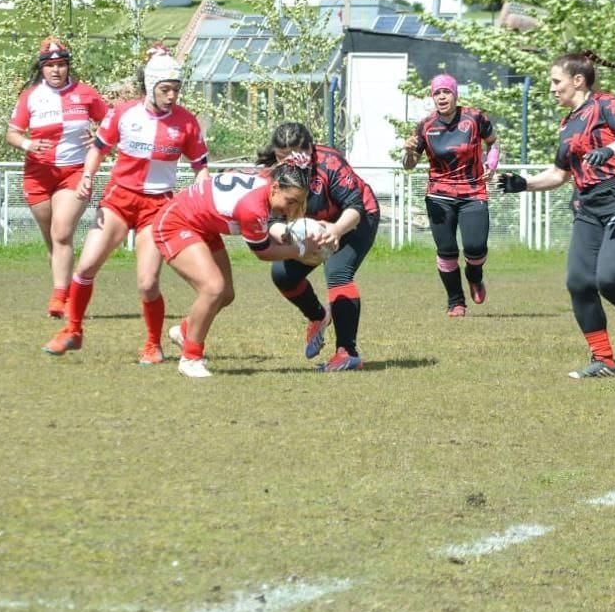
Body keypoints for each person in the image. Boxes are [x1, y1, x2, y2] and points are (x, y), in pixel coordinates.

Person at [495, 51, 615, 378]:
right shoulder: (567, 124)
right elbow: (559, 174)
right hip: (590, 207)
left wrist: (609, 149)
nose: (551, 88)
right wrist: (524, 184)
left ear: (578, 81)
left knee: (610, 280)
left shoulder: (606, 105)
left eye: (555, 81)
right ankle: (604, 361)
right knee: (578, 283)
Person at [43, 49, 209, 361]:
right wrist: (88, 176)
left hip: (158, 206)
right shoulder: (123, 113)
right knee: (86, 266)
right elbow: (98, 149)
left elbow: (200, 166)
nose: (172, 96)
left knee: (148, 283)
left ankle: (152, 344)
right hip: (119, 199)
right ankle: (72, 330)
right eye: (165, 89)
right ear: (150, 85)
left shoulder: (186, 123)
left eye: (177, 89)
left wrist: (202, 192)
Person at [122, 161, 315, 378]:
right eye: (290, 202)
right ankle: (191, 358)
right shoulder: (253, 207)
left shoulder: (266, 181)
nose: (291, 209)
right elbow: (263, 252)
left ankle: (185, 332)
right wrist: (300, 250)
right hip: (175, 223)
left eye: (298, 203)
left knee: (225, 294)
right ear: (275, 187)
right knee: (213, 289)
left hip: (202, 225)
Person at [256, 121, 379, 371]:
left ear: (310, 149)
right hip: (310, 227)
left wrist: (334, 230)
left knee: (337, 272)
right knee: (282, 275)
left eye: (295, 156)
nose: (288, 163)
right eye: (282, 157)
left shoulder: (330, 162)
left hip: (353, 221)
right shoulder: (272, 174)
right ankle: (318, 316)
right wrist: (291, 237)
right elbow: (273, 221)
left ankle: (347, 353)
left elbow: (355, 207)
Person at [6, 37, 108, 318]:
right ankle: (63, 287)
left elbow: (111, 125)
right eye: (50, 65)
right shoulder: (30, 96)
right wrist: (28, 144)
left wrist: (98, 139)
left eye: (61, 65)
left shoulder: (86, 93)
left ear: (68, 67)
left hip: (74, 171)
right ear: (42, 68)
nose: (56, 70)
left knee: (62, 232)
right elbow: (12, 134)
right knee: (53, 241)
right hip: (38, 175)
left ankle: (60, 298)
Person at [402, 73, 500, 316]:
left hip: (473, 190)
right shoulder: (425, 125)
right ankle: (456, 301)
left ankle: (475, 276)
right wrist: (408, 152)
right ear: (432, 97)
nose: (442, 97)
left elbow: (494, 143)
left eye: (446, 92)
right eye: (437, 93)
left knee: (475, 248)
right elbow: (409, 164)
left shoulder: (475, 117)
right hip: (439, 194)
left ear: (455, 94)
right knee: (446, 251)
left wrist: (491, 165)